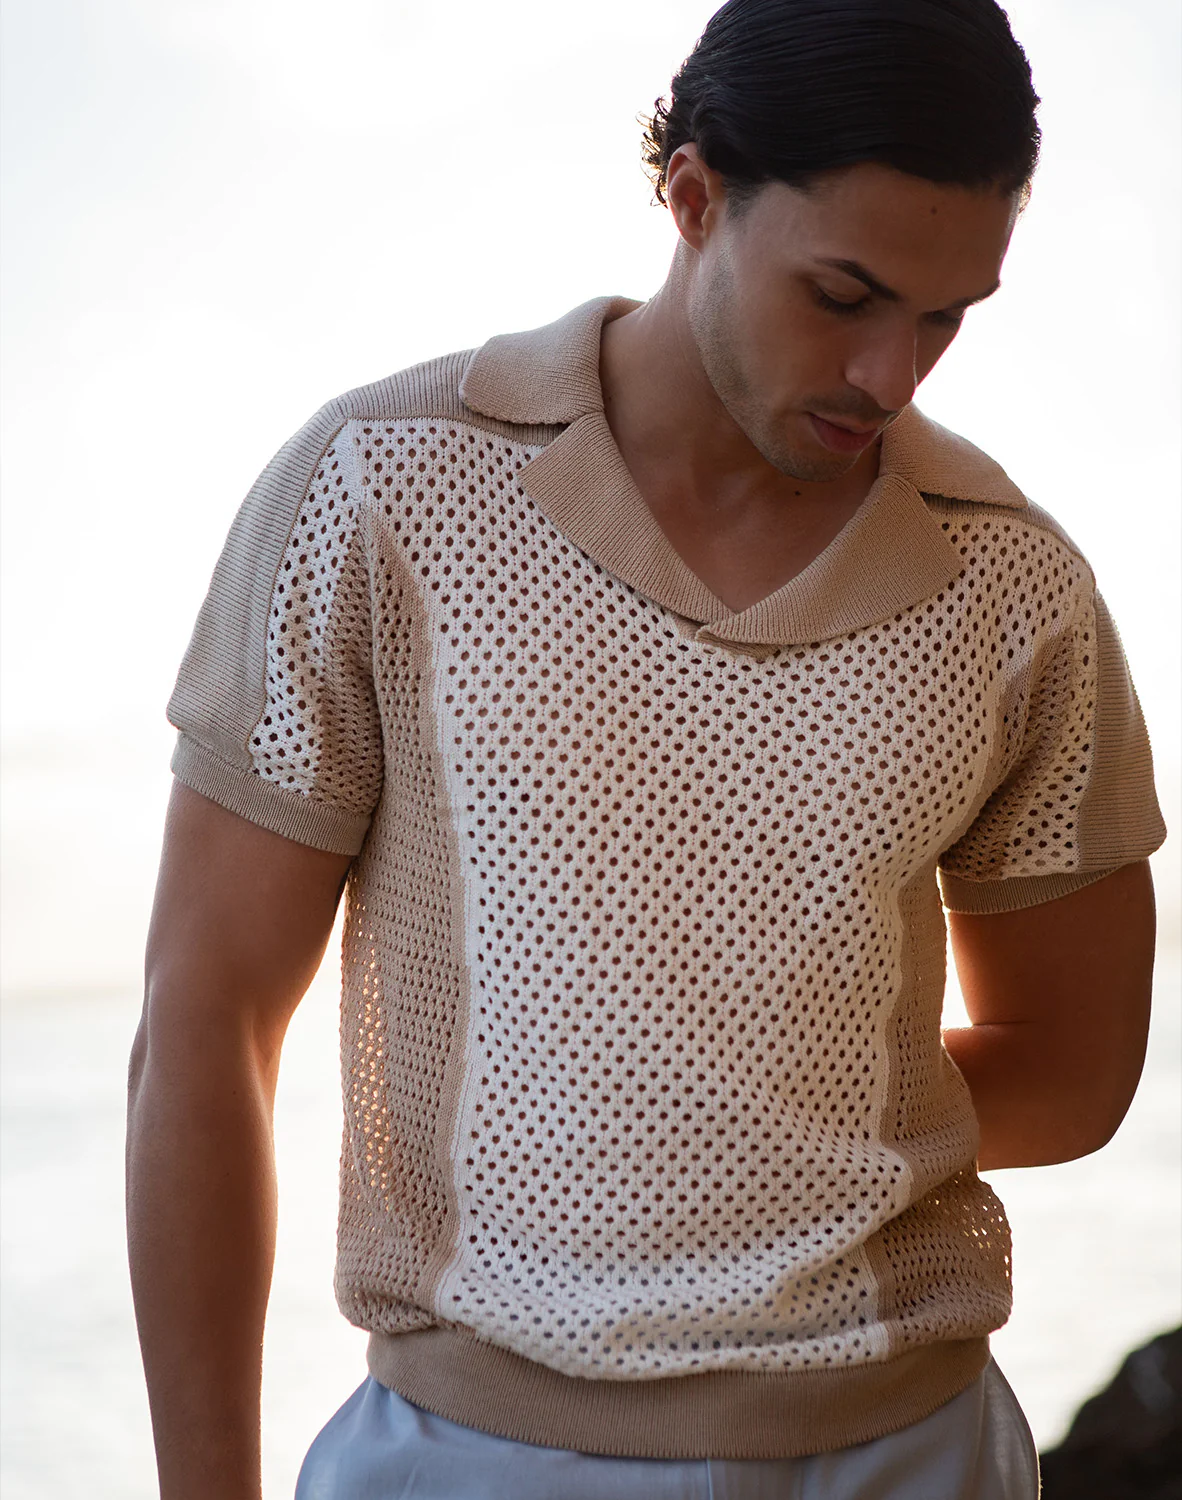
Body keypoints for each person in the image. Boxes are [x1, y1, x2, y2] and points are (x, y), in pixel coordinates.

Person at [126, 1, 1166, 1496]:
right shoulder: (382, 492)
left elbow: (1072, 1074)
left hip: (911, 1453)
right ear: (691, 193)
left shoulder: (1013, 587)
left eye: (945, 318)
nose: (890, 374)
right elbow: (207, 1021)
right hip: (466, 1458)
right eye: (846, 294)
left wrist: (731, 1113)